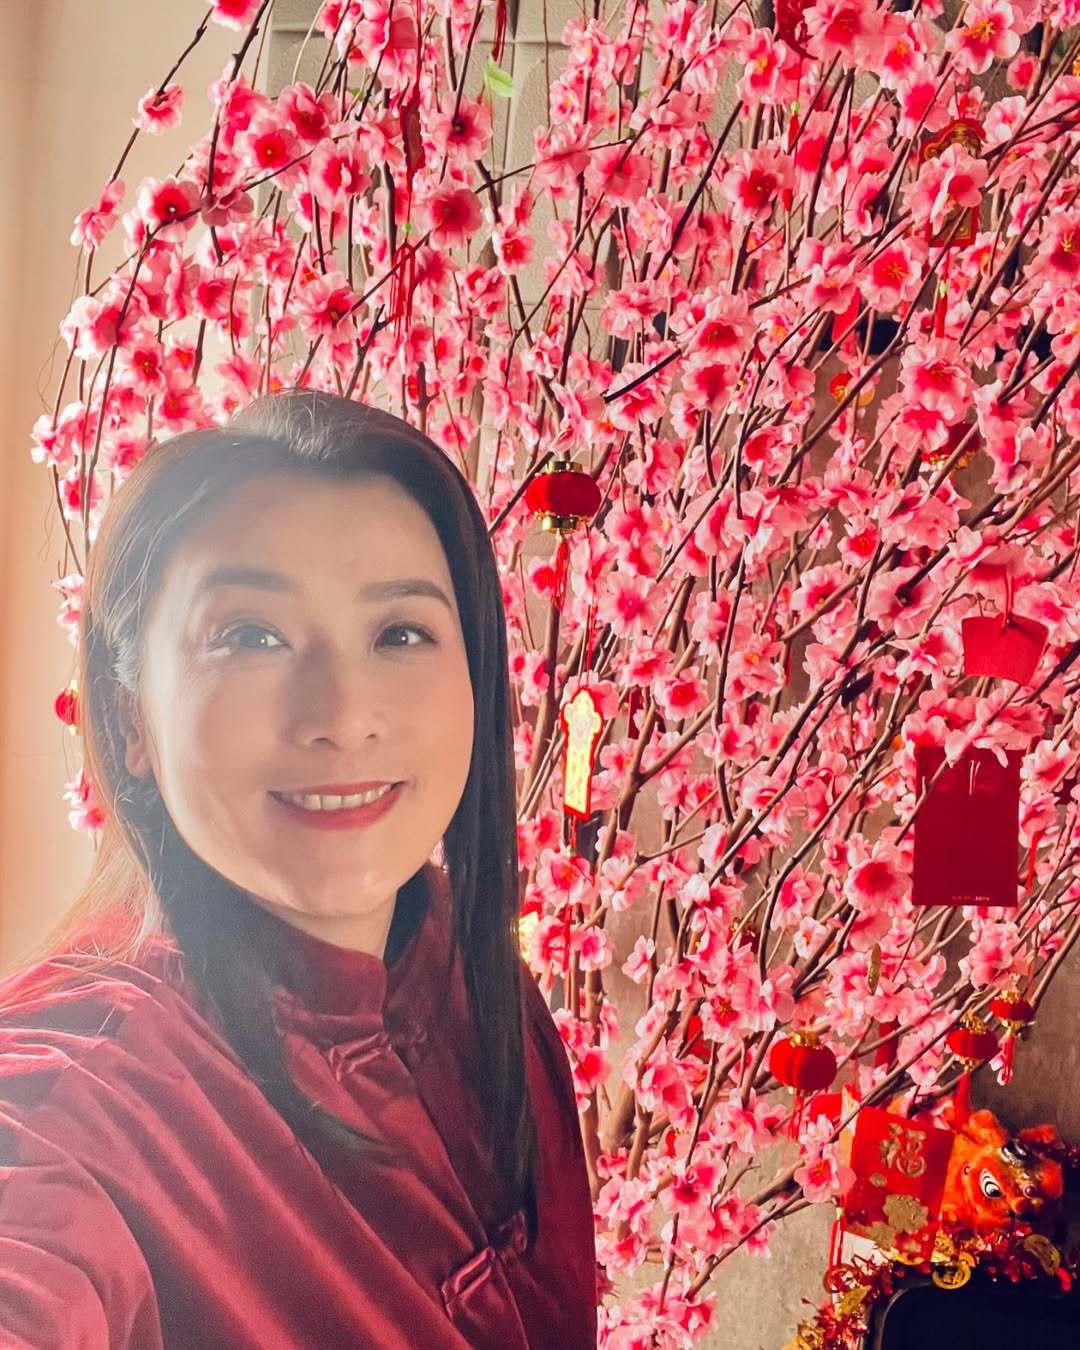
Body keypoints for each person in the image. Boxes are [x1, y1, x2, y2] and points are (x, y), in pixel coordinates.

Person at [0, 391, 599, 1348]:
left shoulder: (471, 968)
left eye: (401, 633)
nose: (343, 715)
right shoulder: (77, 1098)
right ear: (128, 718)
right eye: (251, 635)